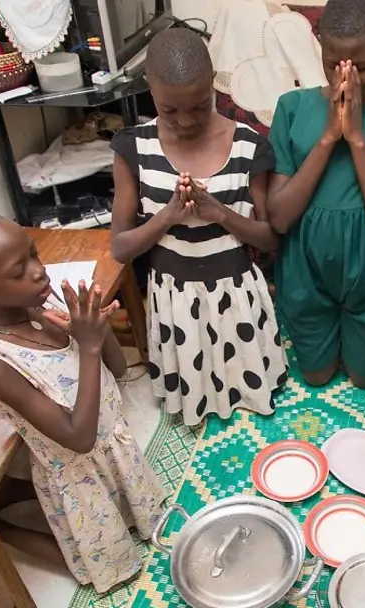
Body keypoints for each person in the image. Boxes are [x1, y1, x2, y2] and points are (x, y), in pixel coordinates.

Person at [0, 208, 166, 593]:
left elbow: (117, 371)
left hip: (112, 449)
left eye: (33, 254)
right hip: (76, 470)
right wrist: (86, 346)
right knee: (100, 562)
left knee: (137, 516)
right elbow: (78, 438)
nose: (38, 271)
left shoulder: (36, 308)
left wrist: (97, 330)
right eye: (18, 271)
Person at [110, 27, 288, 426]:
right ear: (149, 90)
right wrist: (168, 216)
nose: (186, 121)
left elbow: (271, 239)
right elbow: (121, 248)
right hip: (174, 300)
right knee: (195, 387)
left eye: (199, 104)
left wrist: (220, 213)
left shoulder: (248, 144)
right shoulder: (132, 148)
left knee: (247, 397)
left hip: (235, 294)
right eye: (169, 110)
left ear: (213, 86)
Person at [267, 0, 365, 388]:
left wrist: (356, 138)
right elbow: (280, 217)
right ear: (320, 49)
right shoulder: (291, 108)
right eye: (332, 63)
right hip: (305, 270)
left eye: (361, 66)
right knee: (317, 376)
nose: (345, 78)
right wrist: (328, 136)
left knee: (363, 379)